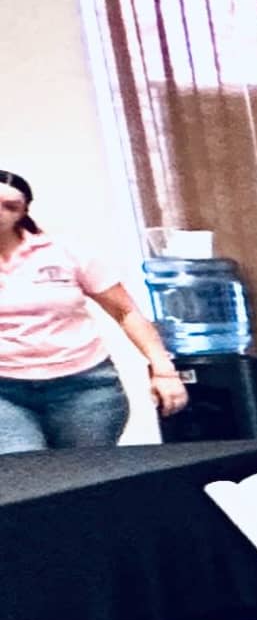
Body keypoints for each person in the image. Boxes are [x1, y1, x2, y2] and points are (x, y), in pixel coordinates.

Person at [0, 168, 187, 450]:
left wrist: (164, 371)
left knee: (84, 473)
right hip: (5, 394)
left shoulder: (65, 252)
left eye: (10, 206)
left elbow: (126, 312)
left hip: (84, 387)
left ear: (23, 212)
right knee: (22, 468)